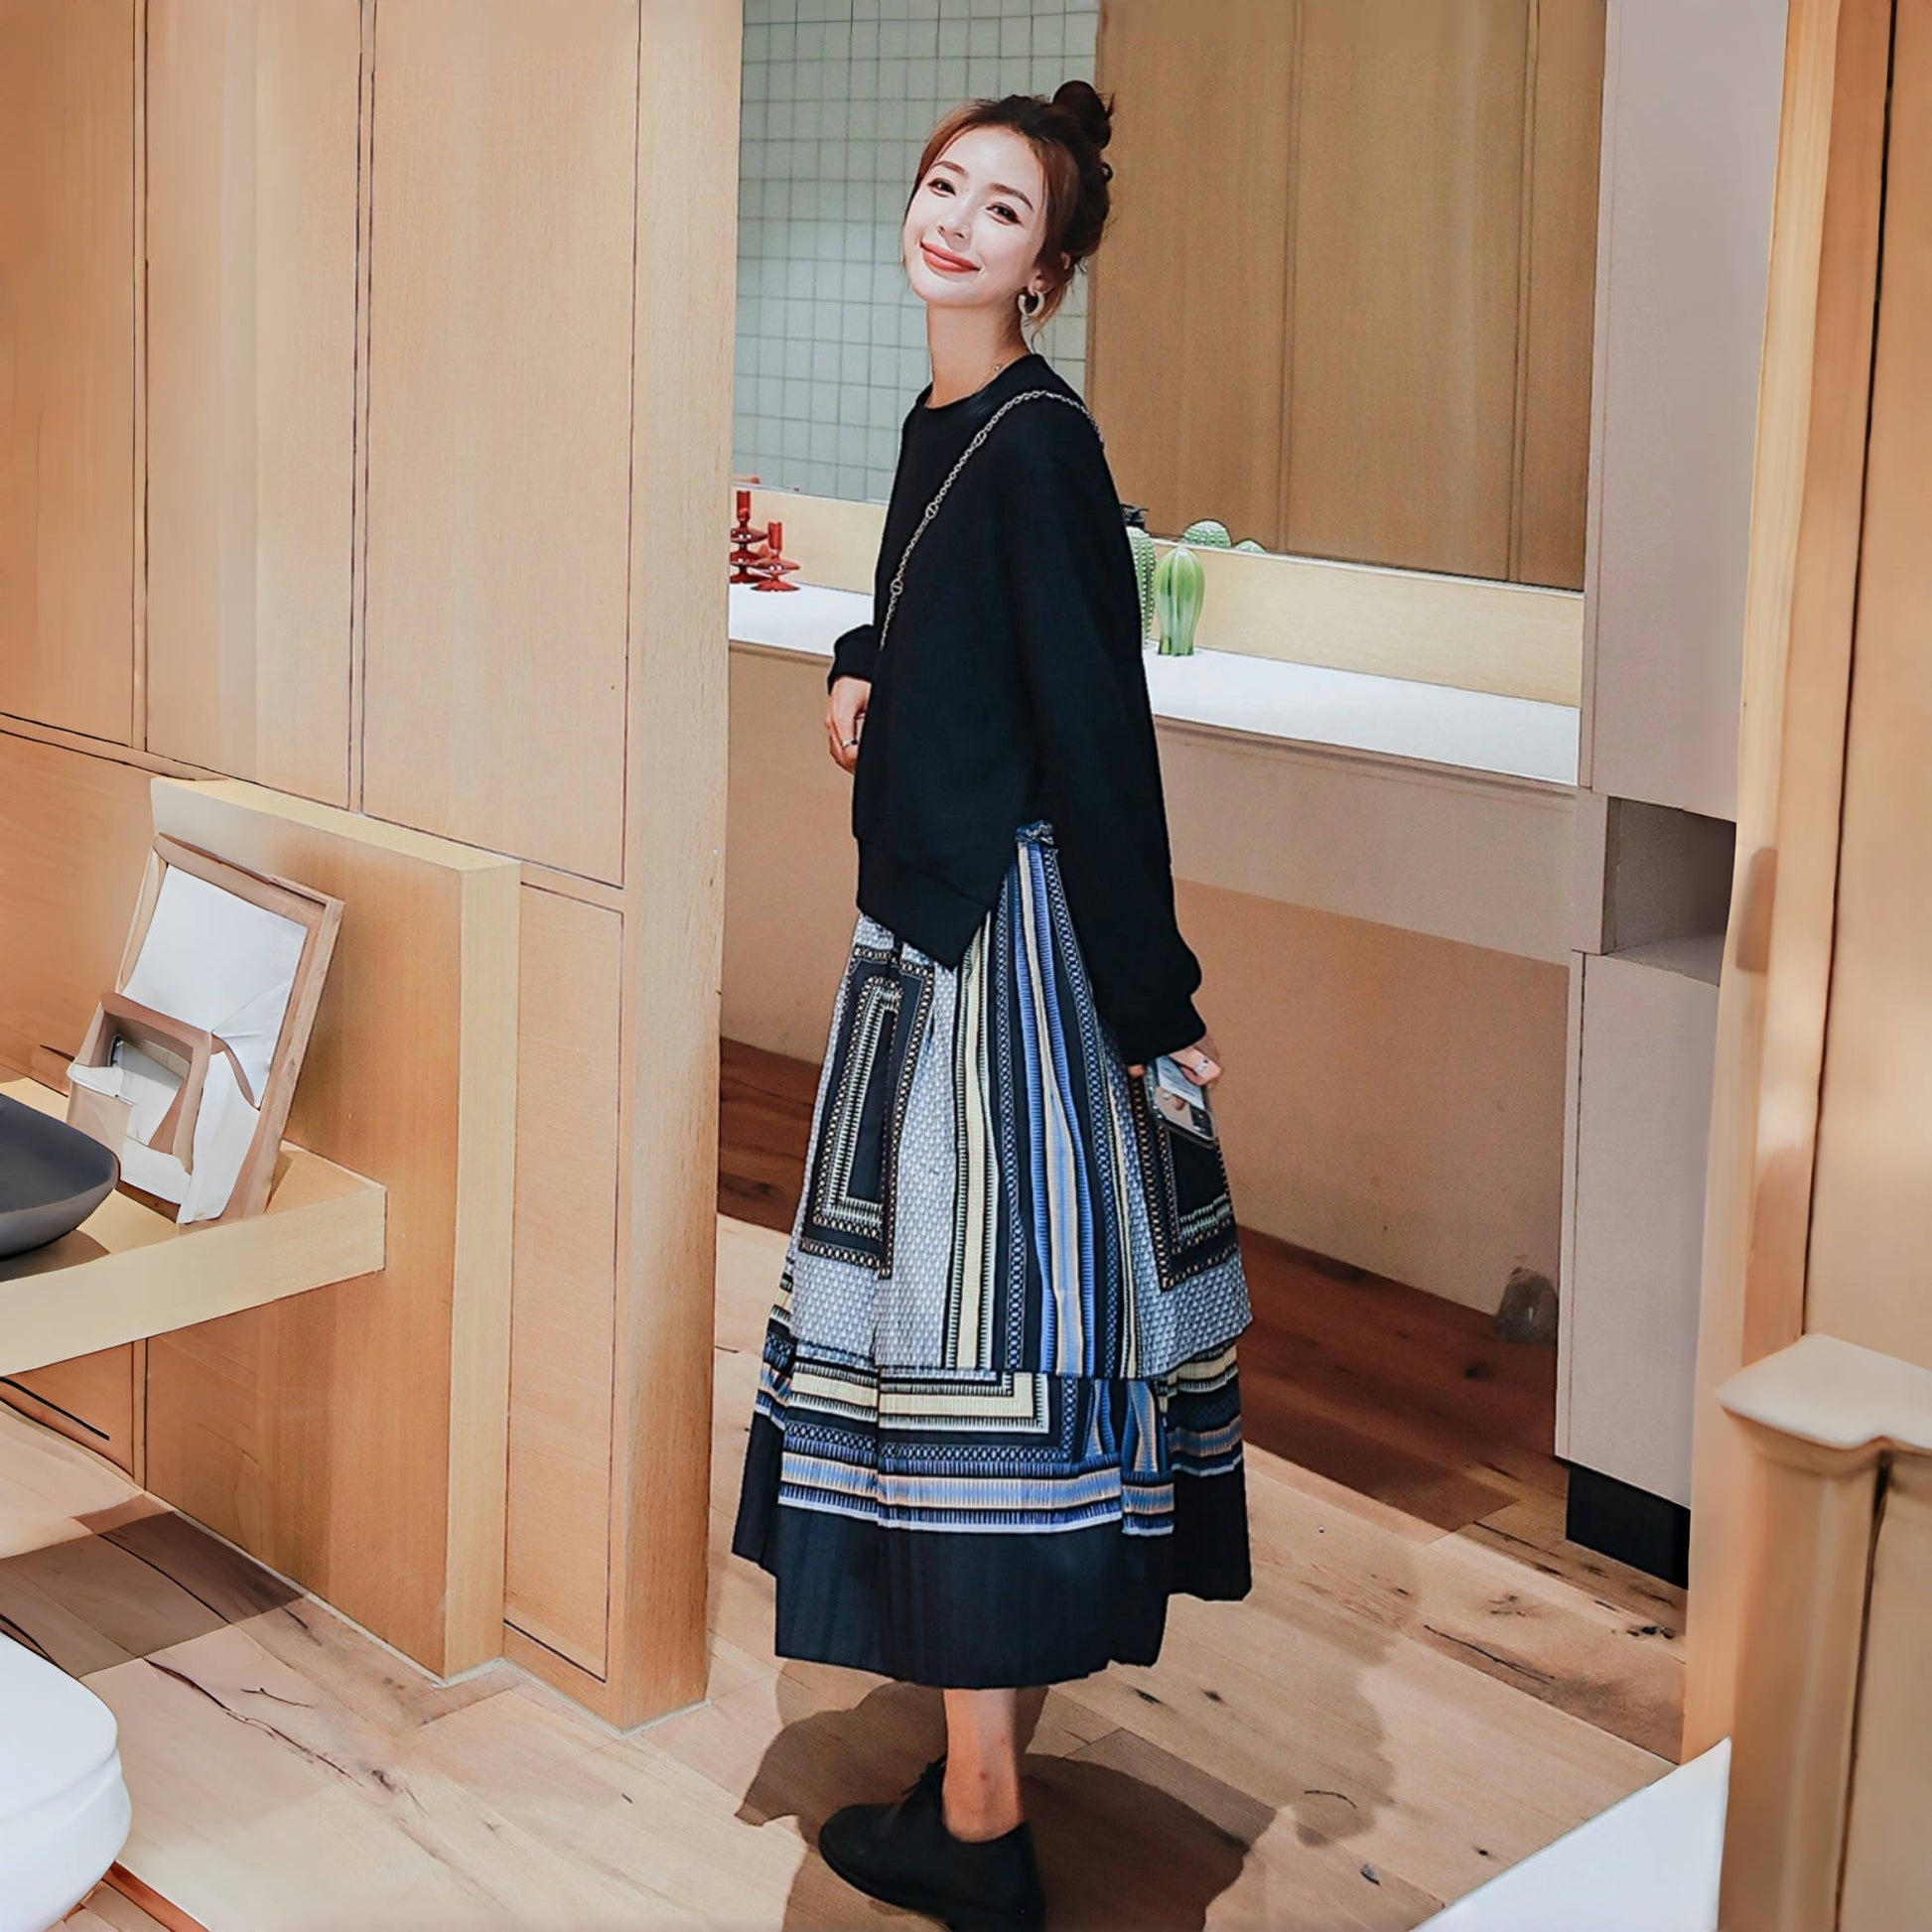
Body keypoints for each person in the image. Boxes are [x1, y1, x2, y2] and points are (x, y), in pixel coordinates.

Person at [732, 81, 1252, 1932]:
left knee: (969, 1348)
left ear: (1049, 265)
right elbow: (930, 604)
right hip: (932, 926)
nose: (951, 220)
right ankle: (984, 1773)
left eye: (1001, 209)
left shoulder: (1039, 442)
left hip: (991, 953)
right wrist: (862, 656)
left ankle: (975, 1823)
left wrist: (1153, 999)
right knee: (986, 1339)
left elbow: (1098, 741)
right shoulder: (948, 416)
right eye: (941, 185)